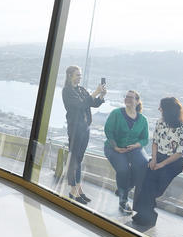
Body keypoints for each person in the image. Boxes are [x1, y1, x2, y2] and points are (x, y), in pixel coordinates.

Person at [132, 97, 183, 227]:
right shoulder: (160, 122)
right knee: (144, 180)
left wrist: (162, 164)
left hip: (173, 162)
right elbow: (155, 142)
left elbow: (180, 152)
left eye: (161, 107)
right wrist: (154, 160)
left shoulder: (182, 128)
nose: (159, 109)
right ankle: (144, 213)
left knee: (154, 188)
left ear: (168, 110)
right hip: (158, 157)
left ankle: (148, 215)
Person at [62, 65, 105, 204]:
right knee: (74, 159)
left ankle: (78, 189)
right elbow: (81, 105)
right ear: (70, 76)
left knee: (79, 160)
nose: (80, 77)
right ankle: (72, 191)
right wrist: (95, 92)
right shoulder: (67, 91)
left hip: (85, 128)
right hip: (75, 129)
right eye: (77, 75)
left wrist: (101, 95)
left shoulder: (81, 89)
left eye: (80, 75)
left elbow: (92, 103)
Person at [104, 90, 149, 214]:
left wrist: (136, 145)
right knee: (124, 170)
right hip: (114, 148)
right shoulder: (116, 113)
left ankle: (125, 188)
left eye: (131, 97)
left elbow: (145, 138)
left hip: (133, 148)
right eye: (126, 97)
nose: (128, 99)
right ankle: (123, 200)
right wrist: (115, 147)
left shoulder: (143, 119)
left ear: (137, 101)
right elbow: (108, 131)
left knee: (144, 164)